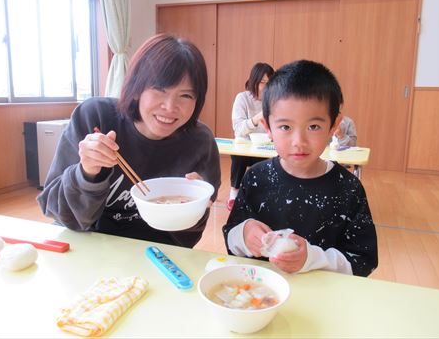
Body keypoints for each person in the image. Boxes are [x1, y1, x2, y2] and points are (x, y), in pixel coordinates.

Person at [37, 34, 221, 248]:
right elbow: (58, 212)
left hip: (157, 254)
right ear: (136, 89)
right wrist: (87, 172)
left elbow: (188, 239)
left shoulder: (200, 143)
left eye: (186, 96)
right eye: (159, 90)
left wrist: (191, 209)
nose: (170, 107)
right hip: (87, 246)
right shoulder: (96, 117)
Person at [222, 60, 378, 277]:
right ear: (267, 127)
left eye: (313, 126)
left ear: (334, 126)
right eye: (285, 127)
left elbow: (363, 260)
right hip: (261, 294)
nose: (299, 141)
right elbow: (231, 236)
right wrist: (244, 234)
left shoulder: (348, 188)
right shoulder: (256, 177)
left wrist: (310, 259)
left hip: (324, 297)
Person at [227, 62, 275, 211]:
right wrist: (256, 119)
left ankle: (265, 195)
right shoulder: (242, 98)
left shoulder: (274, 100)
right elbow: (238, 129)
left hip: (267, 148)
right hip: (246, 147)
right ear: (254, 81)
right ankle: (234, 192)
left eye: (269, 83)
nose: (265, 87)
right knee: (238, 155)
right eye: (262, 82)